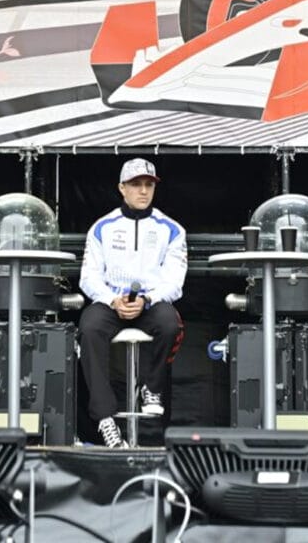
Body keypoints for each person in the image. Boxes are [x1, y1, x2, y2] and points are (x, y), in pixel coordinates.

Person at [78, 157, 187, 449]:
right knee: (89, 328)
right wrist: (112, 300)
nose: (143, 191)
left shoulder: (171, 229)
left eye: (149, 185)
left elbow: (174, 282)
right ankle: (105, 418)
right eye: (136, 184)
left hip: (150, 301)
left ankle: (151, 388)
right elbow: (88, 278)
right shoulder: (102, 227)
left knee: (170, 323)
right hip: (112, 300)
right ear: (121, 188)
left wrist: (148, 299)